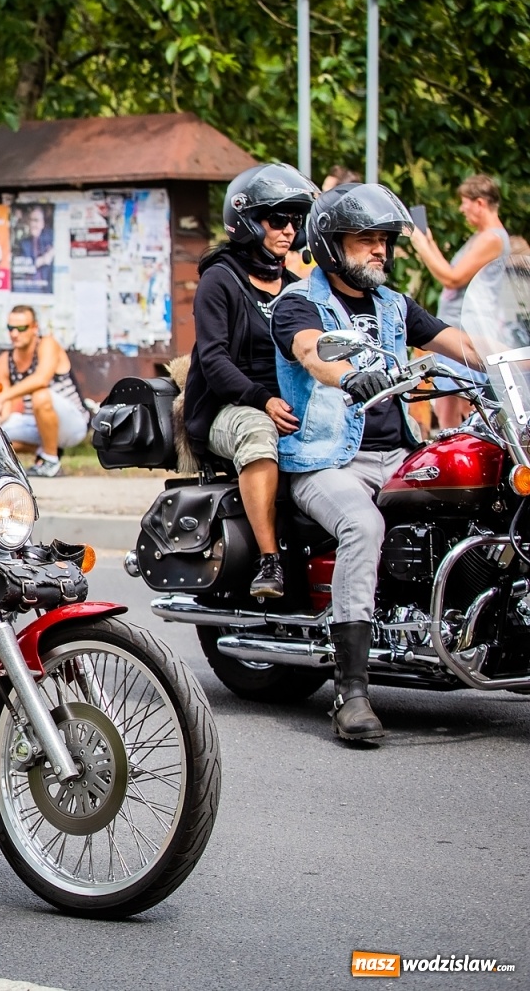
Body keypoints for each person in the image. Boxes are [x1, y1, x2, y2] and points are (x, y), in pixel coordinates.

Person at [270, 183, 479, 743]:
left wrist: (509, 359)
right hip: (327, 461)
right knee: (362, 524)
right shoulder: (298, 303)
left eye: (385, 240)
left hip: (399, 455)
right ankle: (352, 691)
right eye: (366, 239)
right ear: (331, 244)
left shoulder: (393, 305)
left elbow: (459, 342)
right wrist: (349, 375)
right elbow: (311, 351)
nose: (380, 250)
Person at [184, 163, 319, 598]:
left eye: (294, 221)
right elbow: (214, 360)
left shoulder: (296, 288)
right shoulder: (219, 280)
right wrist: (262, 400)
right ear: (245, 221)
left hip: (283, 403)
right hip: (228, 407)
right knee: (258, 432)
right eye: (276, 219)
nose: (288, 230)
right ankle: (269, 559)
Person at [408, 174, 512, 429]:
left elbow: (452, 279)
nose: (462, 209)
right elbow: (451, 272)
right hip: (456, 325)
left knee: (462, 405)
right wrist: (430, 243)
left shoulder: (492, 238)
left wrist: (421, 246)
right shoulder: (481, 237)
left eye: (465, 203)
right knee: (447, 404)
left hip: (468, 330)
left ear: (480, 203)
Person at [0, 305, 90, 478]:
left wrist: (3, 396)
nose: (14, 334)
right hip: (37, 424)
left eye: (21, 328)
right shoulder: (5, 360)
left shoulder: (47, 344)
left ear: (35, 328)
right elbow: (7, 407)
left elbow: (41, 379)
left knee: (40, 395)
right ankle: (47, 449)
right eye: (11, 328)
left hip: (72, 424)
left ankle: (51, 462)